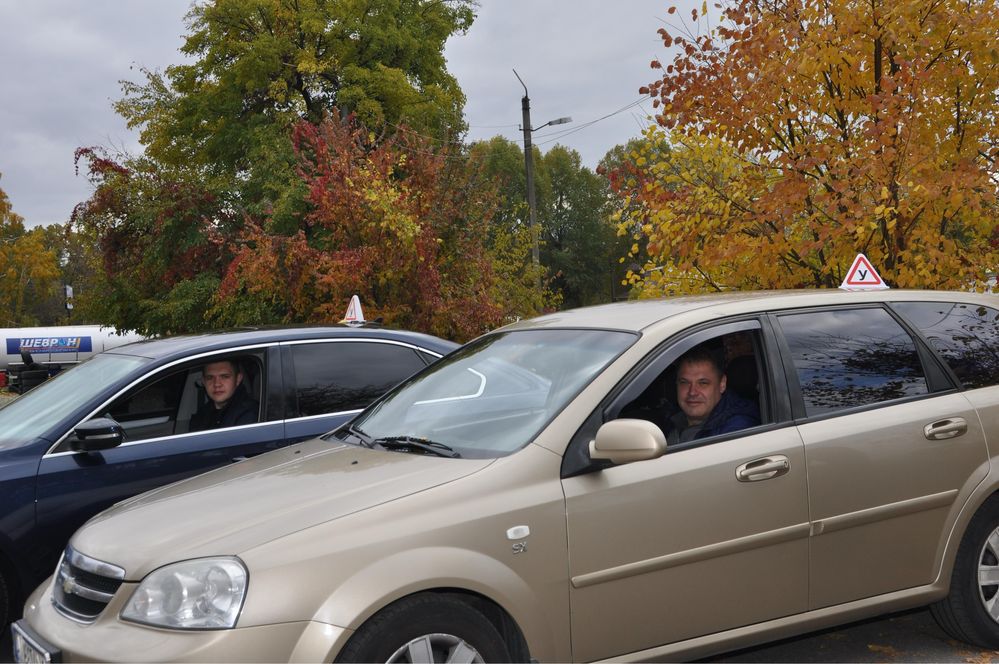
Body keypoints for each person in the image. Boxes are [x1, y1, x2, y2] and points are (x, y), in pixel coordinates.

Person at [666, 346, 759, 445]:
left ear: (722, 384)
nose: (692, 392)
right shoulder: (671, 416)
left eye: (703, 383)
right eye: (685, 382)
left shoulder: (736, 431)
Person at [189, 359, 259, 431]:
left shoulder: (249, 414)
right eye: (210, 378)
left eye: (224, 376)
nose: (217, 384)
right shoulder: (201, 415)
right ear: (203, 381)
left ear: (238, 379)